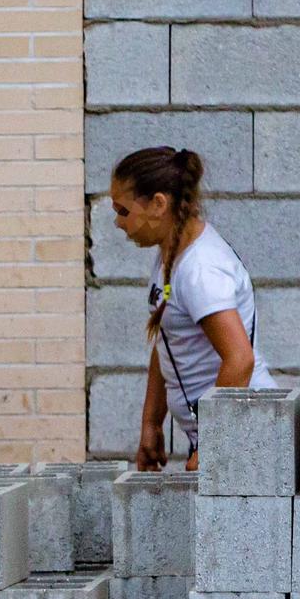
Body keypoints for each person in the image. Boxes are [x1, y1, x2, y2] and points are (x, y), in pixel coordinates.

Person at [108, 146, 275, 470]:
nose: (117, 222)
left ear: (158, 204)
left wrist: (213, 443)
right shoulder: (173, 251)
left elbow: (240, 360)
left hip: (245, 437)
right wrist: (152, 423)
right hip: (222, 435)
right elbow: (170, 339)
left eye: (123, 210)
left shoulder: (201, 270)